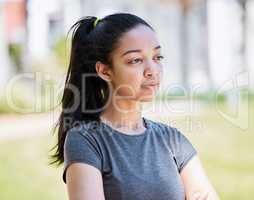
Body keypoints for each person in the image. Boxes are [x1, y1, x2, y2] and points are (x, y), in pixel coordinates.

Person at [50, 12, 220, 200]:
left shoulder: (172, 139)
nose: (152, 70)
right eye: (135, 60)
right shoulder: (86, 140)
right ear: (105, 71)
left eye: (157, 57)